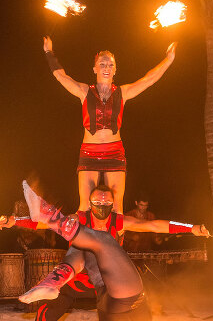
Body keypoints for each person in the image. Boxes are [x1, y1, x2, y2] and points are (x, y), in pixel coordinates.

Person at [0, 184, 209, 321]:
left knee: (115, 317)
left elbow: (154, 226)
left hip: (106, 282)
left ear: (112, 204)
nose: (102, 205)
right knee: (54, 302)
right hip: (78, 276)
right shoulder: (79, 218)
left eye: (106, 202)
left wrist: (191, 228)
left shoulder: (119, 222)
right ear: (90, 204)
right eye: (97, 202)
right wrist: (14, 221)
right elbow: (44, 224)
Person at [20, 180, 152, 321]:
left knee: (96, 244)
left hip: (122, 308)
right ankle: (53, 280)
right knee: (97, 244)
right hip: (114, 310)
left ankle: (53, 278)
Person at [42, 36, 177, 214]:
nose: (107, 68)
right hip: (89, 152)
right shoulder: (84, 91)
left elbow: (148, 79)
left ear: (115, 70)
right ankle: (83, 234)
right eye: (103, 64)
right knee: (84, 207)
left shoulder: (123, 92)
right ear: (95, 68)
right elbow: (61, 76)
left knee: (117, 208)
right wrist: (49, 52)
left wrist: (168, 60)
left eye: (110, 65)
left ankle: (114, 233)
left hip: (115, 152)